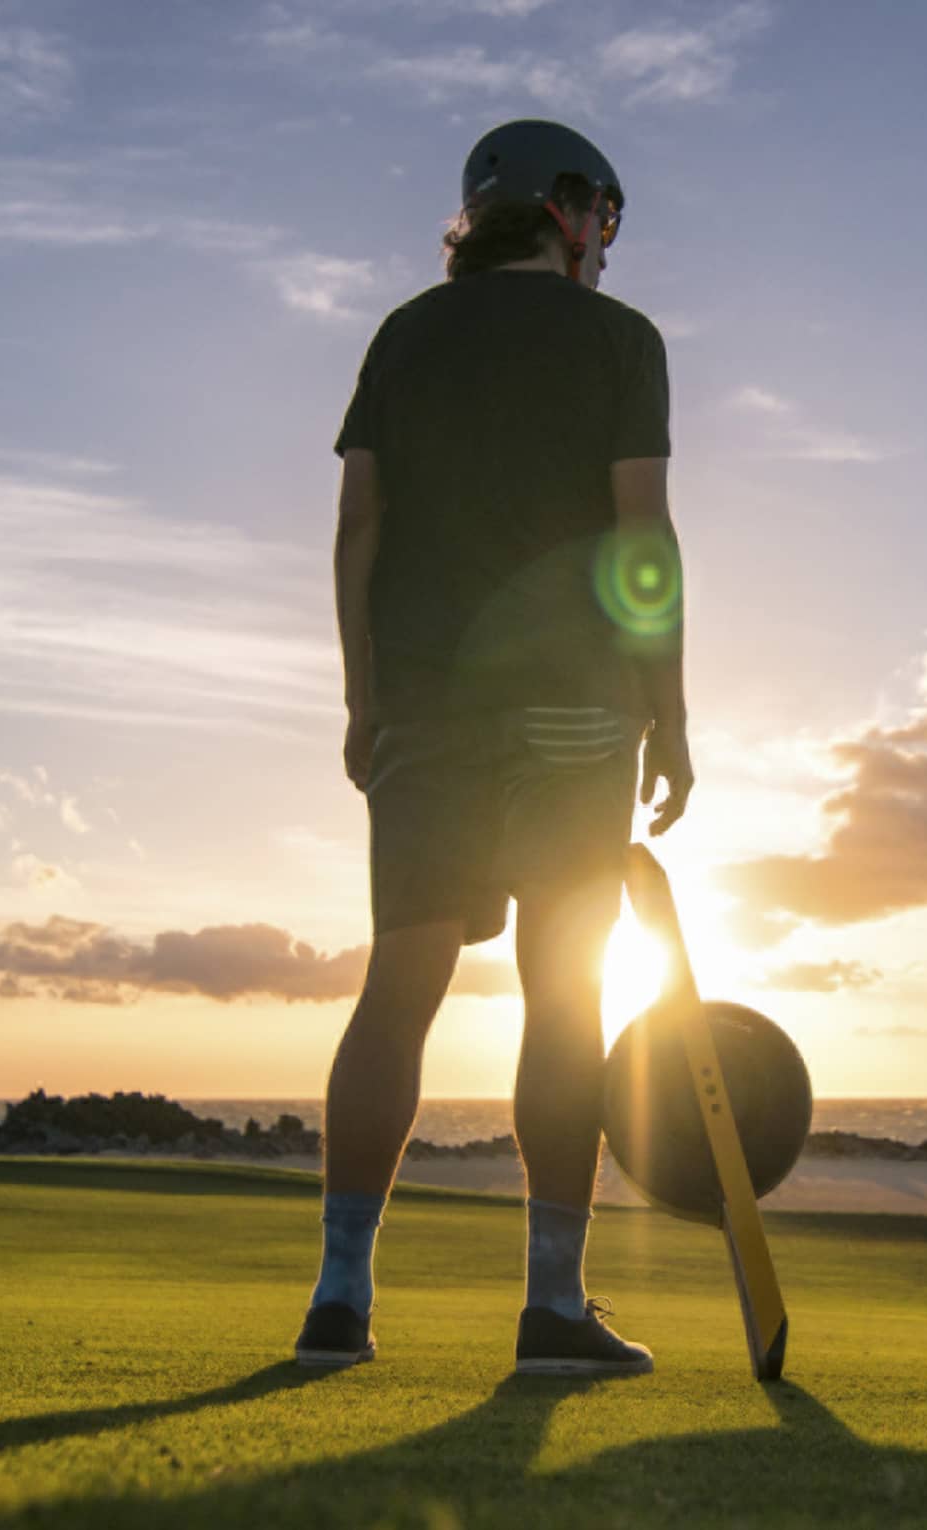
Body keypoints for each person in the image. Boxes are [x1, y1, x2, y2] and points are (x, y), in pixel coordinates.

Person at [293, 120, 693, 1376]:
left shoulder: (405, 335)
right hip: (578, 704)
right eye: (601, 220)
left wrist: (364, 698)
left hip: (422, 703)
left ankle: (340, 1303)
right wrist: (670, 711)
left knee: (398, 987)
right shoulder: (623, 343)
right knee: (561, 994)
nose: (604, 249)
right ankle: (553, 1310)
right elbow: (644, 539)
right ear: (562, 209)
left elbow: (359, 530)